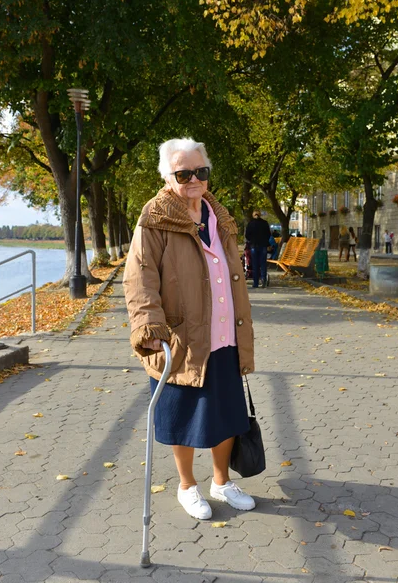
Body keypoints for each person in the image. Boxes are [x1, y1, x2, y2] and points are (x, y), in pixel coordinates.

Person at [123, 137, 256, 521]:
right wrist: (149, 326)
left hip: (224, 332)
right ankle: (187, 486)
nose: (193, 179)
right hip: (180, 337)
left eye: (201, 171)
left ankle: (221, 481)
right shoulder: (155, 218)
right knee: (183, 416)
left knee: (227, 413)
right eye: (183, 174)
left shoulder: (219, 216)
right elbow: (139, 278)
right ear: (167, 177)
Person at [245, 210, 271, 288]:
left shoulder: (250, 223)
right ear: (260, 215)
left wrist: (251, 240)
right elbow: (268, 234)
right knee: (263, 264)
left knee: (255, 265)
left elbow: (247, 235)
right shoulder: (264, 223)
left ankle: (255, 283)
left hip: (254, 246)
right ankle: (263, 280)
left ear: (253, 215)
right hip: (263, 245)